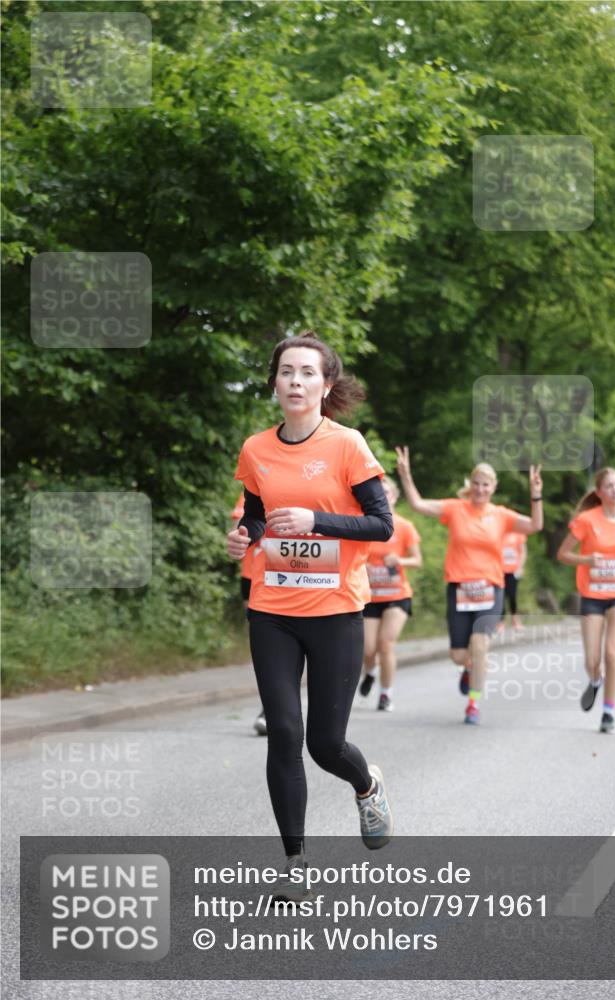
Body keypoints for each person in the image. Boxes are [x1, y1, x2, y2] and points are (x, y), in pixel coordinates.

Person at [227, 331, 395, 899]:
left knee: (325, 745)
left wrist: (318, 522)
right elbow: (255, 516)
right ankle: (295, 865)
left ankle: (368, 785)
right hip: (272, 609)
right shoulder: (256, 449)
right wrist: (243, 536)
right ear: (274, 382)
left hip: (335, 610)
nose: (295, 382)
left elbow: (381, 525)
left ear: (325, 386)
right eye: (286, 372)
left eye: (307, 373)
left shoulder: (347, 445)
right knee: (284, 734)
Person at [395, 449, 543, 725]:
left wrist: (536, 494)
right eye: (476, 483)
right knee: (458, 655)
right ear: (470, 485)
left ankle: (473, 703)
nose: (480, 489)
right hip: (459, 588)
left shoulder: (501, 515)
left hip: (490, 587)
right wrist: (405, 475)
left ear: (493, 488)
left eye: (486, 484)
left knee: (480, 644)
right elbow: (417, 504)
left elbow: (536, 525)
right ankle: (469, 669)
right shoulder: (454, 508)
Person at [556, 468, 615, 734]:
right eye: (609, 486)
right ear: (599, 492)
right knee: (592, 660)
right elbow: (563, 554)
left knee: (611, 651)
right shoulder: (586, 520)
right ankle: (595, 680)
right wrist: (587, 560)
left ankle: (608, 711)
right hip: (593, 595)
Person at [358, 476, 422, 712]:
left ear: (395, 497)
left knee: (386, 643)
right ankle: (371, 672)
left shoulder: (404, 526)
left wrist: (400, 560)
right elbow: (353, 556)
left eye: (388, 493)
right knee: (367, 649)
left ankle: (386, 695)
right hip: (371, 595)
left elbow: (418, 560)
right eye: (380, 493)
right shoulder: (366, 524)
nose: (384, 497)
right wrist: (362, 565)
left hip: (397, 594)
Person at [231, 490, 266, 735]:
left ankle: (270, 710)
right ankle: (272, 707)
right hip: (252, 575)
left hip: (290, 578)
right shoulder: (254, 491)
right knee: (265, 644)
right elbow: (238, 526)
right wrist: (239, 536)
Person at [499, 530, 527, 632]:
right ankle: (500, 622)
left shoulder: (518, 534)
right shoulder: (498, 531)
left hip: (513, 570)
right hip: (499, 570)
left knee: (512, 596)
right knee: (500, 596)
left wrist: (520, 567)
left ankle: (515, 620)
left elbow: (523, 551)